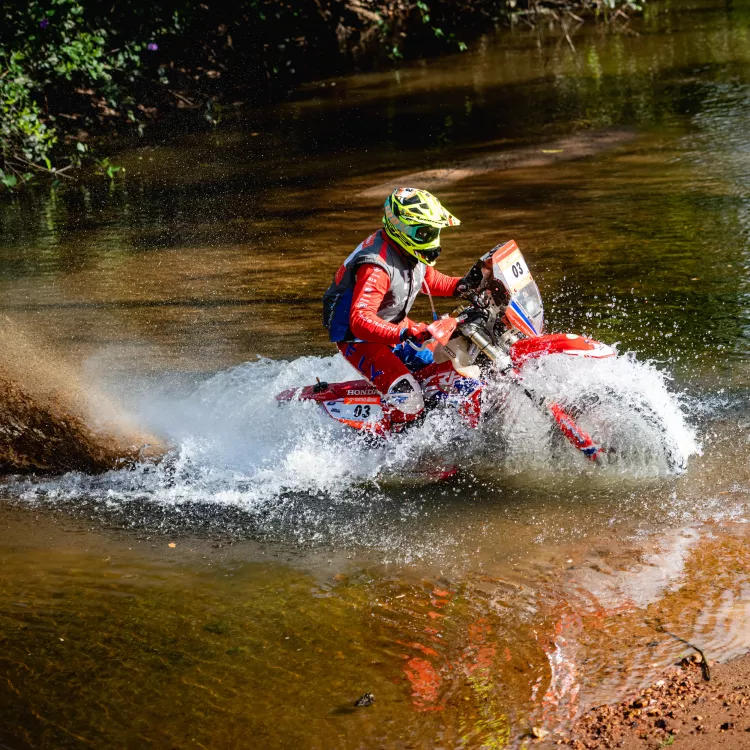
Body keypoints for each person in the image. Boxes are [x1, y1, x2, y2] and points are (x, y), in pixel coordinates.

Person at [323, 187, 481, 421]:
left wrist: (464, 285)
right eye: (425, 232)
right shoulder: (376, 268)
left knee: (441, 368)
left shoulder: (407, 248)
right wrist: (405, 333)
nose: (432, 239)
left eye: (435, 231)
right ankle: (394, 435)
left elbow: (429, 280)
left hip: (394, 325)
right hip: (361, 340)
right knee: (411, 400)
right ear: (401, 227)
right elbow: (360, 320)